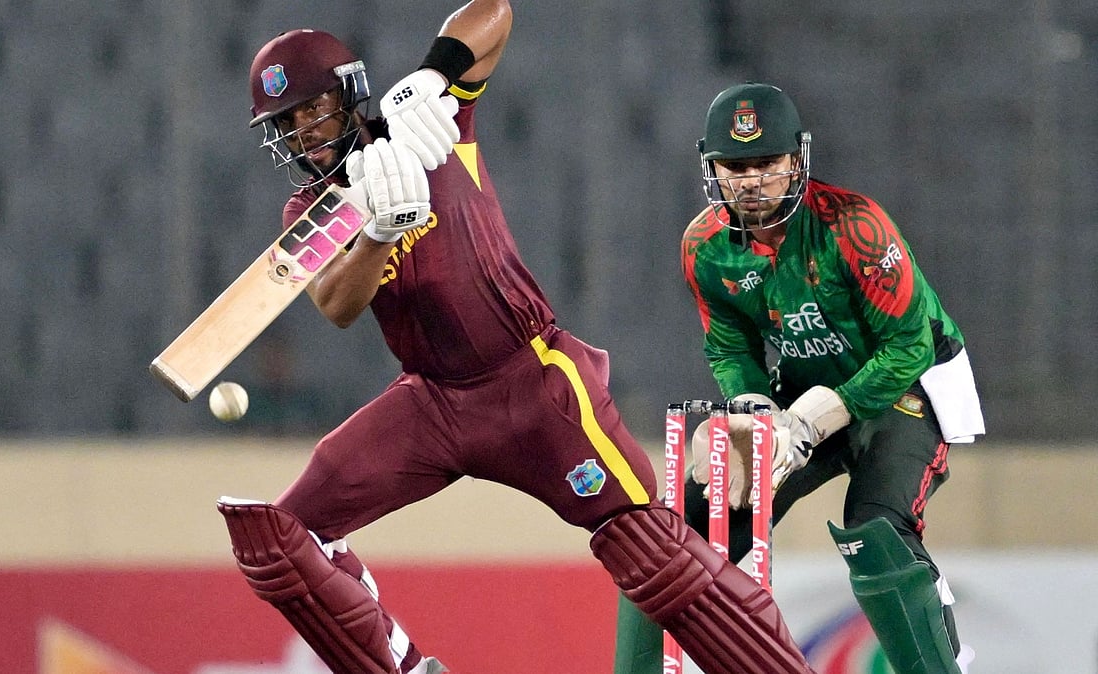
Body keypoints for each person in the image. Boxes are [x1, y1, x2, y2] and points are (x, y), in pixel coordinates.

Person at [213, 5, 816, 674]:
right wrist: (379, 228)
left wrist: (433, 77)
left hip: (533, 381)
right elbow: (336, 302)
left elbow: (491, 14)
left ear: (349, 92)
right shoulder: (313, 208)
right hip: (433, 404)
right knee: (279, 540)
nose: (303, 133)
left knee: (649, 550)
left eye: (312, 110)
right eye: (286, 124)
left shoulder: (428, 127)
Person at [613, 81, 986, 674]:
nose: (751, 180)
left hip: (901, 389)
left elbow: (908, 346)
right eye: (735, 166)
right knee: (676, 535)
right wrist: (754, 414)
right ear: (713, 169)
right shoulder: (705, 248)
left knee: (877, 532)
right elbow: (731, 347)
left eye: (766, 163)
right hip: (793, 400)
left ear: (797, 163)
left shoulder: (856, 227)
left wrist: (814, 420)